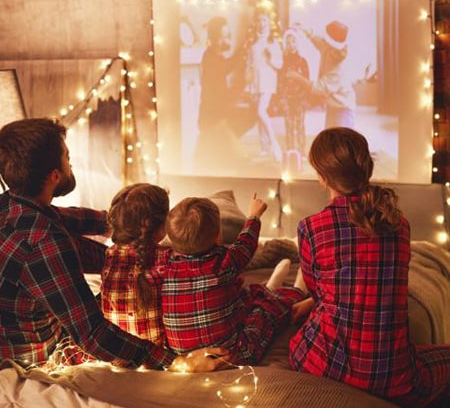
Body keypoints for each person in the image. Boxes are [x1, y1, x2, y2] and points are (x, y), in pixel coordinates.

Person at [0, 117, 227, 372]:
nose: (70, 162)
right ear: (54, 175)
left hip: (17, 325)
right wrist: (176, 361)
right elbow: (92, 334)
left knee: (117, 261)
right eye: (66, 157)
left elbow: (66, 217)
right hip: (33, 354)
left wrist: (122, 222)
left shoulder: (11, 206)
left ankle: (130, 260)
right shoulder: (45, 243)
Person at [289, 127, 450, 407]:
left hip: (323, 363)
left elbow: (319, 291)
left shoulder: (310, 228)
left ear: (323, 177)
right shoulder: (399, 224)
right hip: (395, 378)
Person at [162, 194, 314, 365]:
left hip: (186, 358)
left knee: (244, 296)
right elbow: (246, 242)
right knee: (266, 311)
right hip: (233, 355)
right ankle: (298, 290)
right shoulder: (225, 263)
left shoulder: (165, 267)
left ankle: (270, 287)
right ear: (218, 235)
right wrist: (254, 215)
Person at [101, 183, 170, 346]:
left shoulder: (110, 255)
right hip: (156, 352)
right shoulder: (167, 258)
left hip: (117, 350)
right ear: (160, 225)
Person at [194, 16, 246, 174]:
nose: (224, 40)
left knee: (220, 153)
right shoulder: (211, 58)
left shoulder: (215, 56)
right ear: (213, 37)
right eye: (221, 37)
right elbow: (225, 70)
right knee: (235, 155)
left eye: (226, 36)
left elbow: (227, 67)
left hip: (215, 115)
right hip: (213, 116)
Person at [298, 20, 356, 129]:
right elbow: (319, 42)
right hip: (333, 105)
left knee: (341, 142)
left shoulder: (338, 69)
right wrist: (307, 32)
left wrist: (297, 77)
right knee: (330, 139)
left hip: (343, 108)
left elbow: (318, 87)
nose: (324, 41)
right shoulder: (330, 48)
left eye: (326, 40)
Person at [245, 4, 283, 162]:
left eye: (264, 20)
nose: (262, 23)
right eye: (259, 20)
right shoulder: (253, 43)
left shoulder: (273, 43)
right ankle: (264, 147)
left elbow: (279, 64)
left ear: (269, 22)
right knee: (259, 115)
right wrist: (247, 84)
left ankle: (275, 144)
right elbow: (248, 65)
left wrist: (270, 57)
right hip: (255, 83)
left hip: (267, 82)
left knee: (262, 111)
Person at [278, 27, 310, 164]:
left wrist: (305, 99)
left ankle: (302, 152)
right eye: (289, 42)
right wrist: (282, 99)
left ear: (298, 44)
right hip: (287, 98)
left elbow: (307, 82)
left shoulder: (303, 61)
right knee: (289, 125)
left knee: (300, 125)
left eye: (294, 42)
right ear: (286, 44)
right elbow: (280, 81)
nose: (291, 45)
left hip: (300, 98)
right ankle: (291, 150)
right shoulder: (282, 62)